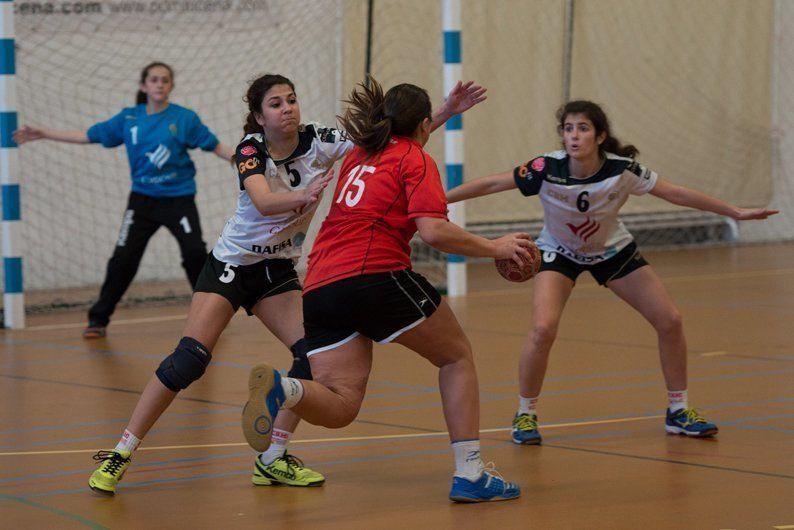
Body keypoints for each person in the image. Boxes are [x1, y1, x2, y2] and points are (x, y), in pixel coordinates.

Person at [87, 74, 489, 495]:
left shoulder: (321, 140)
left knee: (308, 358)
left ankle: (272, 458)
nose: (287, 108)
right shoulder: (251, 148)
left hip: (278, 273)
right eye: (276, 104)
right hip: (232, 266)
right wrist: (303, 196)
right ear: (260, 117)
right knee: (189, 359)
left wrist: (441, 113)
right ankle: (122, 451)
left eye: (292, 100)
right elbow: (262, 199)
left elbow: (386, 142)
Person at [240, 77, 533, 503]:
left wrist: (445, 111)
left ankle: (284, 390)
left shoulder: (360, 152)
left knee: (343, 403)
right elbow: (433, 231)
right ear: (423, 126)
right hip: (375, 273)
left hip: (321, 283)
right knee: (455, 356)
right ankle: (469, 472)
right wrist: (495, 247)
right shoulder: (415, 159)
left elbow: (409, 132)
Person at [445, 100, 779, 445]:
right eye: (568, 129)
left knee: (671, 320)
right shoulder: (546, 167)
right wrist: (441, 199)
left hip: (612, 250)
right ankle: (525, 415)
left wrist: (734, 212)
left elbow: (675, 192)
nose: (574, 136)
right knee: (542, 329)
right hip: (559, 252)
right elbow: (491, 185)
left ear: (600, 136)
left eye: (583, 128)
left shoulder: (623, 171)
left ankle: (678, 411)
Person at [13, 62, 235, 339]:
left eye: (165, 80)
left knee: (194, 254)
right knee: (123, 258)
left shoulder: (184, 118)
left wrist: (245, 164)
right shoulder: (129, 118)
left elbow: (215, 146)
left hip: (179, 201)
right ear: (144, 86)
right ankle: (98, 319)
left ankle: (208, 317)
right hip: (141, 202)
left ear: (171, 86)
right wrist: (45, 134)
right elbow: (88, 135)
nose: (159, 84)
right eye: (153, 80)